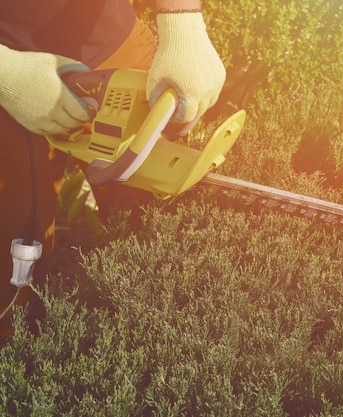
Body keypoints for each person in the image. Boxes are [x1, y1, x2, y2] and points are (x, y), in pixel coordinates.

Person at [0, 0, 227, 342]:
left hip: (113, 42)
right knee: (13, 261)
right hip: (13, 76)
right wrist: (6, 73)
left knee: (168, 222)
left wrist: (183, 22)